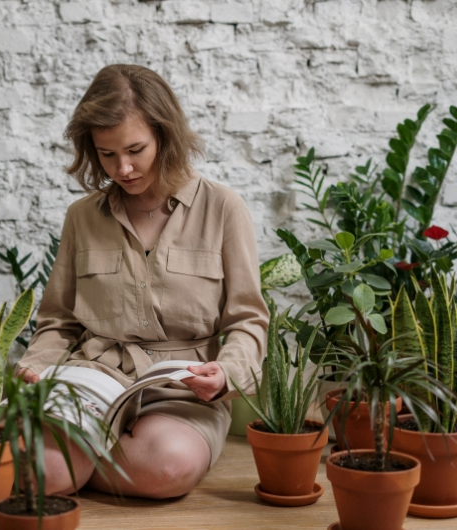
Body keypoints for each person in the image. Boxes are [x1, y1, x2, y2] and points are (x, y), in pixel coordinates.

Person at [15, 64, 270, 499]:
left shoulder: (224, 208)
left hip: (181, 389)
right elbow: (59, 320)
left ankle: (81, 462)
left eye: (136, 149)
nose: (123, 168)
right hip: (92, 376)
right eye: (107, 154)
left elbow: (247, 319)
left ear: (165, 137)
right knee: (44, 472)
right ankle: (72, 462)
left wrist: (225, 374)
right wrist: (35, 366)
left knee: (165, 465)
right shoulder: (82, 216)